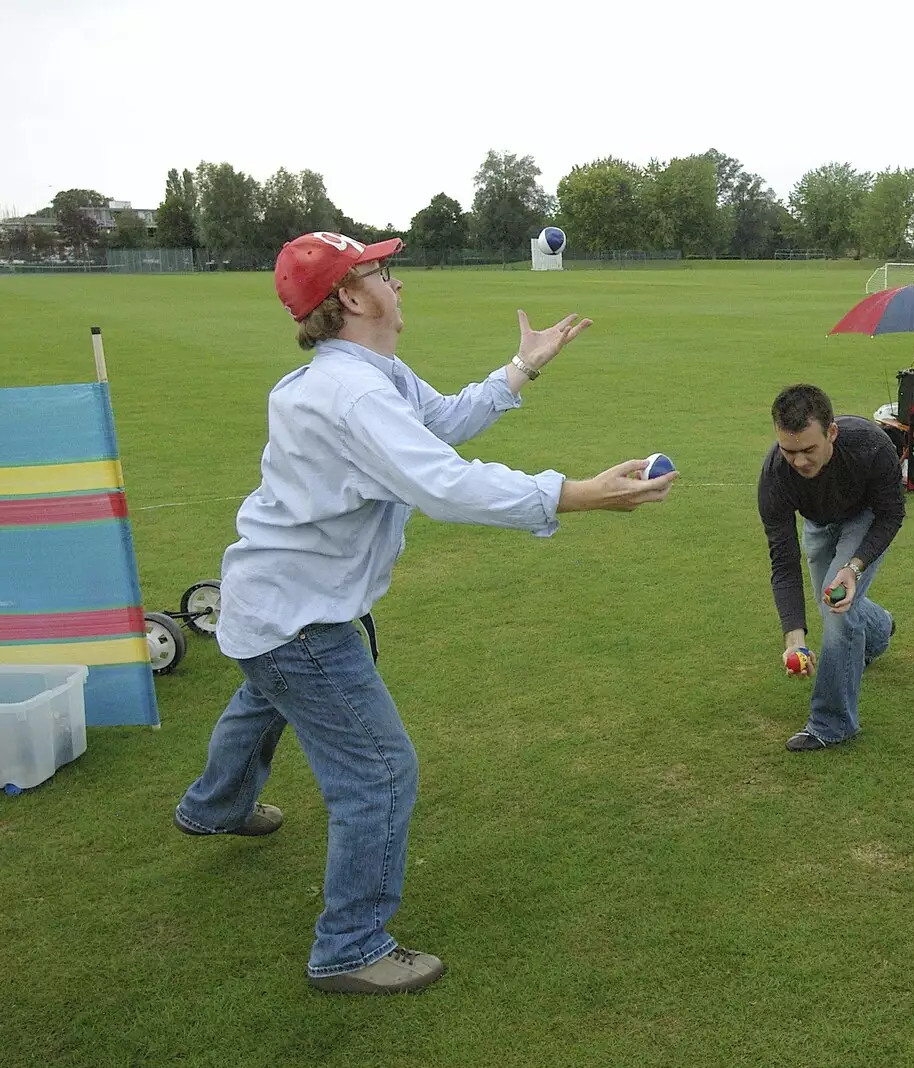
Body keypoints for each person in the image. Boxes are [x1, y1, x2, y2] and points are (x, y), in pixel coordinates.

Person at [173, 231, 676, 995]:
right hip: (300, 619)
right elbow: (443, 483)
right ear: (348, 296)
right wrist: (572, 492)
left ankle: (213, 807)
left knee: (262, 697)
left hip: (267, 604)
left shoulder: (367, 375)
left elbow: (438, 424)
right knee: (379, 772)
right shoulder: (354, 394)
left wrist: (523, 367)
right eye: (380, 271)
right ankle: (348, 947)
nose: (397, 283)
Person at [759, 384, 904, 751]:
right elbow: (784, 559)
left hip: (866, 519)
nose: (800, 461)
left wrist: (854, 568)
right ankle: (880, 628)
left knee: (836, 607)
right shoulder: (776, 474)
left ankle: (832, 723)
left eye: (809, 449)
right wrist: (794, 640)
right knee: (838, 604)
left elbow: (891, 515)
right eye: (789, 451)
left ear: (832, 433)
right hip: (818, 522)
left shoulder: (872, 447)